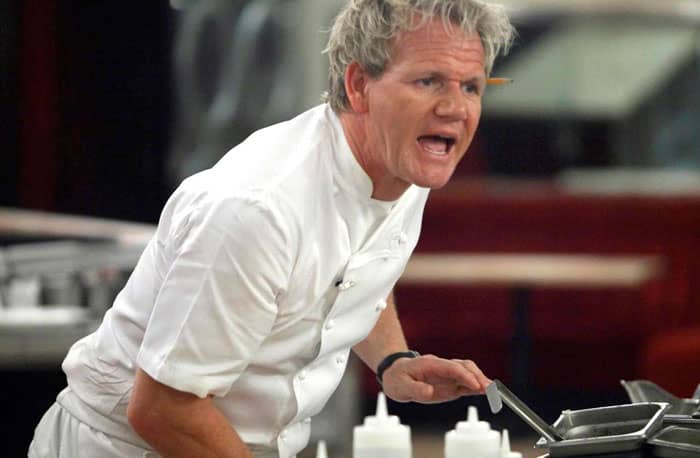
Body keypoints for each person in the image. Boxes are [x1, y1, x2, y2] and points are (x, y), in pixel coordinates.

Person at [29, 0, 514, 456]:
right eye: (429, 81)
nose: (455, 108)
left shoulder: (403, 162)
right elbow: (162, 409)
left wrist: (393, 361)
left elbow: (356, 265)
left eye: (471, 87)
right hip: (126, 446)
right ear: (358, 85)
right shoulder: (260, 211)